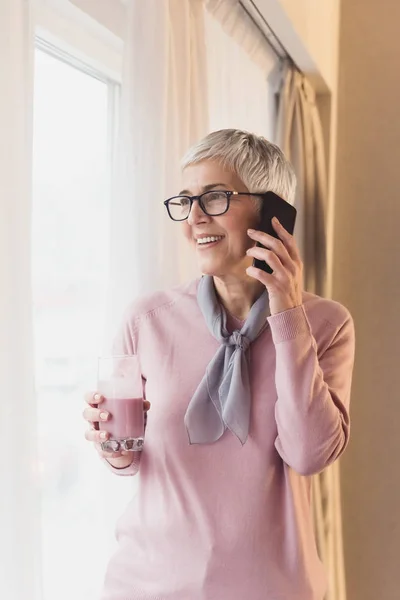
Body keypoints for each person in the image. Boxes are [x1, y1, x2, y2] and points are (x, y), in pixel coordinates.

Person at [83, 129, 355, 600]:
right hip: (147, 585)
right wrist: (112, 443)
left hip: (270, 588)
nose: (194, 219)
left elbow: (310, 455)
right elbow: (127, 457)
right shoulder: (147, 320)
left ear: (273, 214)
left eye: (214, 198)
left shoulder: (327, 324)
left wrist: (287, 311)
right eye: (185, 201)